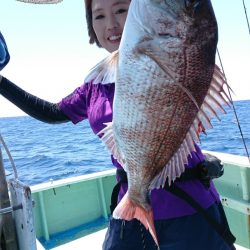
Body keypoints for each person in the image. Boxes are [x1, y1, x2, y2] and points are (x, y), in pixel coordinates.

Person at [0, 0, 236, 249]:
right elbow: (52, 112)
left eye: (121, 10)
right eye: (98, 16)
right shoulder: (94, 87)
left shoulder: (166, 52)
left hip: (189, 208)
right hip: (131, 203)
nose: (111, 24)